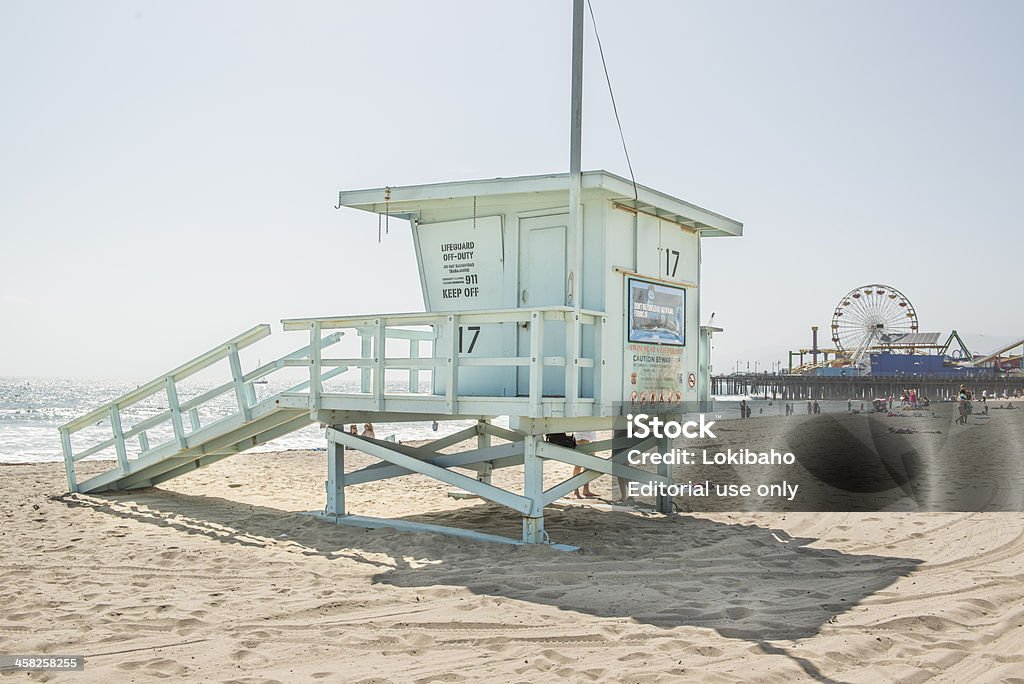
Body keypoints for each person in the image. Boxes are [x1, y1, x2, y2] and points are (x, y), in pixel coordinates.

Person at [571, 431, 599, 499]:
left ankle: (586, 490)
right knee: (578, 465)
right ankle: (576, 490)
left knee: (588, 466)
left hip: (592, 438)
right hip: (582, 437)